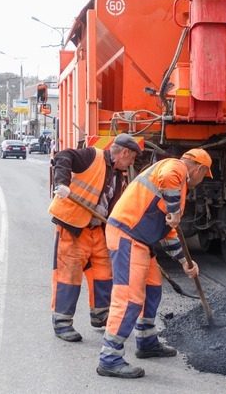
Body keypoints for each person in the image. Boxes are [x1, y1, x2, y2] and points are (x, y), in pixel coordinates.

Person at [96, 148, 212, 379]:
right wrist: (173, 211)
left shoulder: (178, 186)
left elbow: (168, 233)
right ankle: (109, 358)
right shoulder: (175, 168)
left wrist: (184, 262)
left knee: (152, 290)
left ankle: (147, 341)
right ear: (199, 168)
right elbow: (169, 183)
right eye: (204, 175)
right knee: (129, 298)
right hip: (128, 236)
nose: (202, 180)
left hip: (142, 242)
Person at [48, 134, 142, 342]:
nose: (132, 162)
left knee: (104, 274)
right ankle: (62, 323)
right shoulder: (93, 156)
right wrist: (62, 183)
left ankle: (101, 316)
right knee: (69, 275)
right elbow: (64, 156)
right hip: (74, 227)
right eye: (132, 157)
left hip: (97, 229)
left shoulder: (119, 174)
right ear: (124, 153)